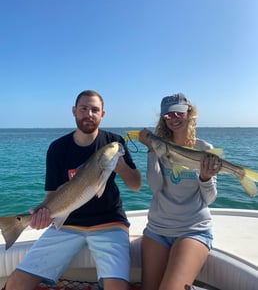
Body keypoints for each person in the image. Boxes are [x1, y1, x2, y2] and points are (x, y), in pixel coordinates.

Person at [4, 90, 141, 290]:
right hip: (67, 223)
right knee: (16, 283)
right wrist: (41, 213)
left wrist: (121, 167)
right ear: (74, 111)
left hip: (110, 223)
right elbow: (53, 193)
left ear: (102, 114)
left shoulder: (115, 141)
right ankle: (15, 225)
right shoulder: (57, 148)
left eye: (95, 110)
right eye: (84, 109)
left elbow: (136, 185)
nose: (89, 114)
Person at [138, 93, 222, 290]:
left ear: (189, 114)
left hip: (193, 230)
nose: (172, 118)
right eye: (167, 115)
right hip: (157, 230)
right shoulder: (159, 146)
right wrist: (151, 150)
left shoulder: (204, 149)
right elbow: (155, 187)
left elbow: (209, 199)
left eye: (178, 113)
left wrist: (205, 177)